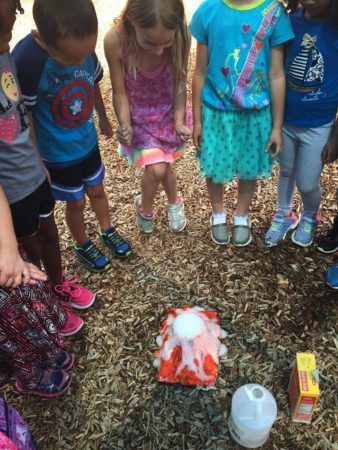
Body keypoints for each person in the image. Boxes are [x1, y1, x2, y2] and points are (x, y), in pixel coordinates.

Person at [12, 0, 131, 272]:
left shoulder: (82, 46)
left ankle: (107, 229)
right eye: (72, 58)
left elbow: (94, 82)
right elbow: (25, 113)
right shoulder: (29, 61)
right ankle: (82, 242)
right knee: (76, 201)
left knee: (98, 190)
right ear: (41, 38)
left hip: (86, 141)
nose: (81, 61)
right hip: (56, 153)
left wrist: (102, 115)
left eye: (86, 54)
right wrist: (36, 159)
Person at [0, 0, 89, 335]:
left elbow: (22, 116)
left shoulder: (5, 54)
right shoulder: (16, 52)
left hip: (33, 173)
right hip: (10, 190)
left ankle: (58, 286)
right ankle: (44, 308)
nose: (11, 33)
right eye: (7, 26)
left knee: (50, 234)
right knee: (30, 252)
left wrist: (38, 158)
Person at [190, 0, 294, 246]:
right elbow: (199, 71)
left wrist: (277, 126)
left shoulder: (274, 13)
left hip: (255, 113)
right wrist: (196, 120)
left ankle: (241, 215)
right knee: (214, 166)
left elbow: (277, 74)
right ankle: (217, 213)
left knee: (249, 169)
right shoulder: (208, 10)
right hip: (216, 111)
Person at [104, 0, 191, 234]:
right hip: (139, 116)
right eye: (150, 42)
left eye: (166, 42)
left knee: (163, 164)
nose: (159, 50)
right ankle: (147, 208)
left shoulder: (182, 34)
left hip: (168, 112)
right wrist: (123, 123)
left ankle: (171, 202)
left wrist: (179, 119)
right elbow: (119, 91)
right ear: (132, 21)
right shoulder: (115, 41)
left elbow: (179, 82)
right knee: (157, 168)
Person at [265, 0, 338, 247]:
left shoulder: (335, 27)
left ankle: (310, 216)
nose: (311, 1)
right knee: (285, 171)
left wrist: (336, 136)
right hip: (286, 119)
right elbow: (277, 69)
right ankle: (284, 214)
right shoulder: (290, 21)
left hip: (319, 125)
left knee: (307, 182)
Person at [0, 185, 73, 397]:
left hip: (5, 257)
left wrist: (9, 251)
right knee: (9, 337)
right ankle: (29, 375)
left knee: (25, 300)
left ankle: (42, 351)